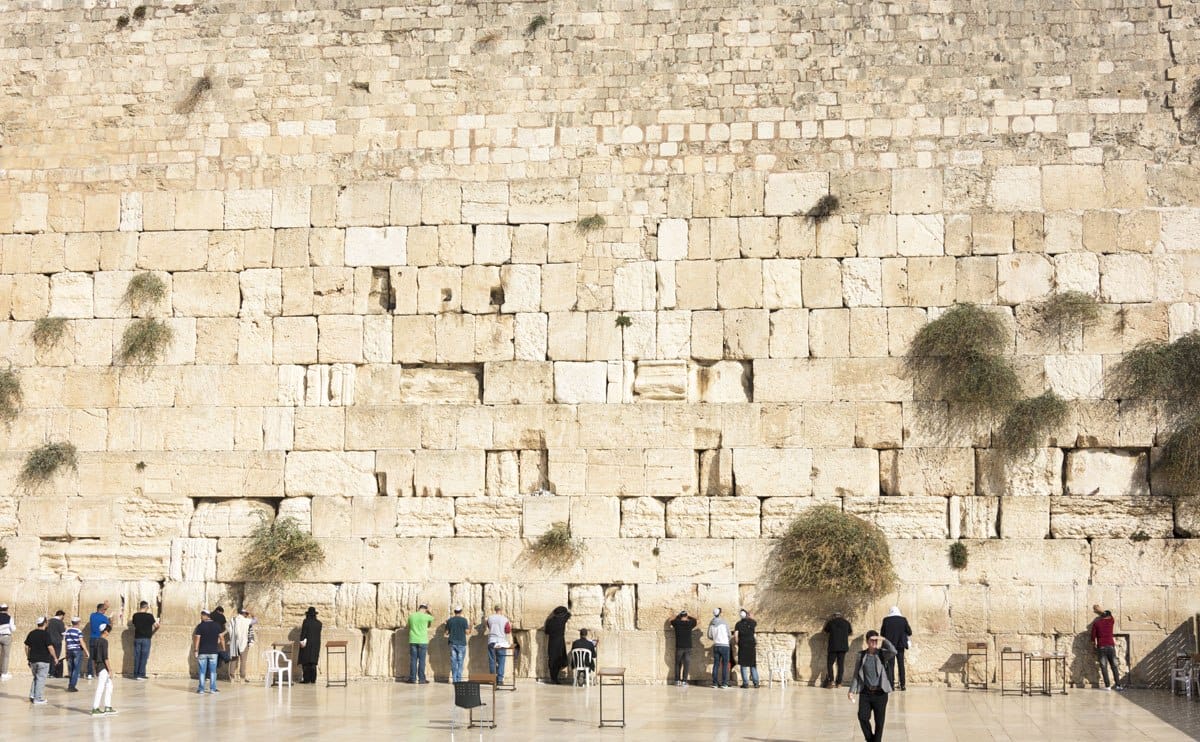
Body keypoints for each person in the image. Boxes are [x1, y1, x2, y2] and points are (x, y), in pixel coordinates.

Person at [849, 630, 897, 742]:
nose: (874, 642)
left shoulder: (882, 654)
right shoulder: (861, 655)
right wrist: (851, 690)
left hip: (880, 693)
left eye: (876, 640)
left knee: (879, 723)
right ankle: (870, 739)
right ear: (867, 641)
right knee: (862, 717)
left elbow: (893, 651)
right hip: (866, 693)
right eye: (872, 640)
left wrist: (884, 639)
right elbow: (856, 674)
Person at [24, 615, 57, 705]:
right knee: (41, 679)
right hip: (43, 660)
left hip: (33, 660)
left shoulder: (31, 633)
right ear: (45, 623)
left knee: (36, 678)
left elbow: (27, 646)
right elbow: (50, 647)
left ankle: (32, 695)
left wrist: (28, 657)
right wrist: (55, 658)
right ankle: (38, 698)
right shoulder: (46, 634)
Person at [192, 609, 225, 694]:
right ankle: (213, 689)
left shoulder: (200, 626)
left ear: (204, 615)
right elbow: (221, 638)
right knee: (213, 672)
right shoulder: (217, 625)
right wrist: (223, 648)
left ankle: (201, 689)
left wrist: (196, 650)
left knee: (202, 671)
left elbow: (197, 639)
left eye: (201, 615)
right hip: (213, 652)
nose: (201, 617)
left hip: (203, 652)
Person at [880, 606, 911, 691]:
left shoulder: (886, 620)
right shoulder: (903, 620)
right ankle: (903, 685)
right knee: (901, 665)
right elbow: (909, 632)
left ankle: (891, 684)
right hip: (900, 646)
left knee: (890, 665)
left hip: (890, 646)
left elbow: (882, 633)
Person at [1091, 607, 1122, 690]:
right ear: (1108, 616)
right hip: (1110, 646)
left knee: (1104, 666)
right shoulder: (1110, 621)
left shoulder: (1096, 623)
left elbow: (1093, 637)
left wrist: (1093, 646)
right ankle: (1118, 685)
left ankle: (1108, 686)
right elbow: (1110, 616)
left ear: (1102, 616)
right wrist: (1100, 610)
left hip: (1101, 647)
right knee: (1114, 666)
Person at [91, 623, 116, 716]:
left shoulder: (96, 641)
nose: (108, 633)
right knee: (101, 687)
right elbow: (105, 657)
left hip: (98, 667)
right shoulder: (104, 641)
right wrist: (110, 669)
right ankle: (95, 708)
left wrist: (94, 669)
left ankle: (108, 706)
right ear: (105, 631)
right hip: (103, 667)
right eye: (108, 631)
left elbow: (93, 657)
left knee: (109, 685)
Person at [130, 601, 159, 680]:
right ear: (146, 607)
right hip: (146, 639)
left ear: (140, 607)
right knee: (144, 657)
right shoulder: (149, 616)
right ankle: (141, 674)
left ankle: (136, 674)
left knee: (137, 656)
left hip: (137, 638)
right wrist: (154, 631)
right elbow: (156, 626)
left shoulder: (135, 615)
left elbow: (134, 624)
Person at [823, 612, 853, 688]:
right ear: (841, 616)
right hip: (843, 647)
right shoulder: (846, 623)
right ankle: (839, 683)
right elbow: (850, 632)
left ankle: (831, 681)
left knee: (830, 664)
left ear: (834, 616)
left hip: (833, 646)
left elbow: (826, 631)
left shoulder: (831, 622)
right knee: (840, 665)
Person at [543, 605, 571, 684]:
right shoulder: (562, 620)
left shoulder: (549, 621)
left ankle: (553, 677)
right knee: (559, 659)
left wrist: (552, 615)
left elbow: (546, 632)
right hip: (560, 643)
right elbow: (569, 614)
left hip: (551, 642)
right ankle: (555, 678)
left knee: (552, 659)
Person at [669, 610, 697, 686]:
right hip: (688, 647)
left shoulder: (677, 623)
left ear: (680, 616)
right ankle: (684, 681)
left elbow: (670, 619)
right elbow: (696, 619)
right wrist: (689, 616)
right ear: (686, 616)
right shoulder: (690, 623)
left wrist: (677, 616)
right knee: (686, 664)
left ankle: (677, 680)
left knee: (678, 664)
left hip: (679, 647)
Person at [408, 603, 434, 684]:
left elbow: (409, 626)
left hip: (413, 640)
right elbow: (432, 618)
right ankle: (422, 679)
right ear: (425, 609)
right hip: (422, 641)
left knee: (413, 660)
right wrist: (429, 612)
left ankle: (412, 678)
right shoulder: (426, 616)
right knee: (422, 661)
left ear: (419, 608)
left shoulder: (411, 616)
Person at [733, 609, 759, 689]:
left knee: (743, 664)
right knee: (753, 664)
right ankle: (756, 683)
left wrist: (738, 643)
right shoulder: (752, 623)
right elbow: (754, 633)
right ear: (746, 615)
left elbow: (736, 636)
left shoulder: (738, 624)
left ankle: (745, 683)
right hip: (751, 645)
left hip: (743, 645)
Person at [485, 606, 511, 685]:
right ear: (501, 610)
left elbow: (489, 627)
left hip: (492, 641)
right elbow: (507, 630)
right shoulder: (505, 619)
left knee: (492, 660)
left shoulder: (489, 618)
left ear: (495, 609)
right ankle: (500, 679)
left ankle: (493, 679)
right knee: (501, 661)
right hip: (501, 642)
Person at [228, 608, 255, 683]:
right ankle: (242, 678)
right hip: (244, 643)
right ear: (244, 614)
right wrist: (252, 614)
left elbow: (229, 629)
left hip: (234, 643)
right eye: (246, 614)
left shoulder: (233, 620)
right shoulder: (246, 621)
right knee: (243, 661)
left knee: (233, 660)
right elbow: (255, 621)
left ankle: (232, 677)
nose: (247, 615)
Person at [707, 608, 731, 689]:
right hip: (725, 646)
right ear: (720, 613)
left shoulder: (711, 623)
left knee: (716, 665)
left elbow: (709, 636)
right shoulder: (724, 622)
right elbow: (729, 635)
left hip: (716, 645)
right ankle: (724, 683)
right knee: (725, 665)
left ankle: (715, 683)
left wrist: (715, 639)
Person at [64, 616, 88, 692]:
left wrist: (66, 652)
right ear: (78, 623)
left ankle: (70, 684)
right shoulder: (78, 631)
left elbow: (66, 643)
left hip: (69, 650)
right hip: (77, 651)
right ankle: (72, 686)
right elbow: (81, 642)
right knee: (76, 669)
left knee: (71, 669)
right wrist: (86, 651)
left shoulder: (68, 631)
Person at [445, 606, 469, 683]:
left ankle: (455, 679)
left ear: (454, 611)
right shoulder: (464, 620)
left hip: (453, 643)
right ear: (461, 612)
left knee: (453, 662)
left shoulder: (450, 620)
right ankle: (459, 679)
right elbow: (467, 632)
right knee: (460, 661)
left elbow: (446, 633)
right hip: (461, 643)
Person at [299, 606, 322, 684]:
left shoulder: (306, 622)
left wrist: (301, 641)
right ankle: (313, 679)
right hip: (316, 645)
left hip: (307, 645)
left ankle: (306, 679)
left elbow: (303, 634)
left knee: (306, 662)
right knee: (313, 662)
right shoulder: (319, 624)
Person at [87, 602, 108, 678]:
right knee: (100, 657)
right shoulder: (104, 618)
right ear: (102, 609)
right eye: (105, 609)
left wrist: (105, 606)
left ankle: (90, 673)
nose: (105, 611)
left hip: (92, 638)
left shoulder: (92, 616)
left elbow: (98, 612)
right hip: (99, 639)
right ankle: (99, 672)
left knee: (91, 657)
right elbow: (108, 628)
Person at [47, 610, 66, 678]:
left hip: (49, 641)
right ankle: (52, 673)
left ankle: (48, 672)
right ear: (61, 615)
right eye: (63, 616)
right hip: (57, 642)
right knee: (56, 657)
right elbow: (63, 633)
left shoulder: (49, 621)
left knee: (49, 656)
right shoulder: (60, 622)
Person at [0, 602, 12, 681]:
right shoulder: (9, 618)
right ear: (7, 609)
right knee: (5, 656)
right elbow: (13, 628)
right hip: (6, 636)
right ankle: (4, 673)